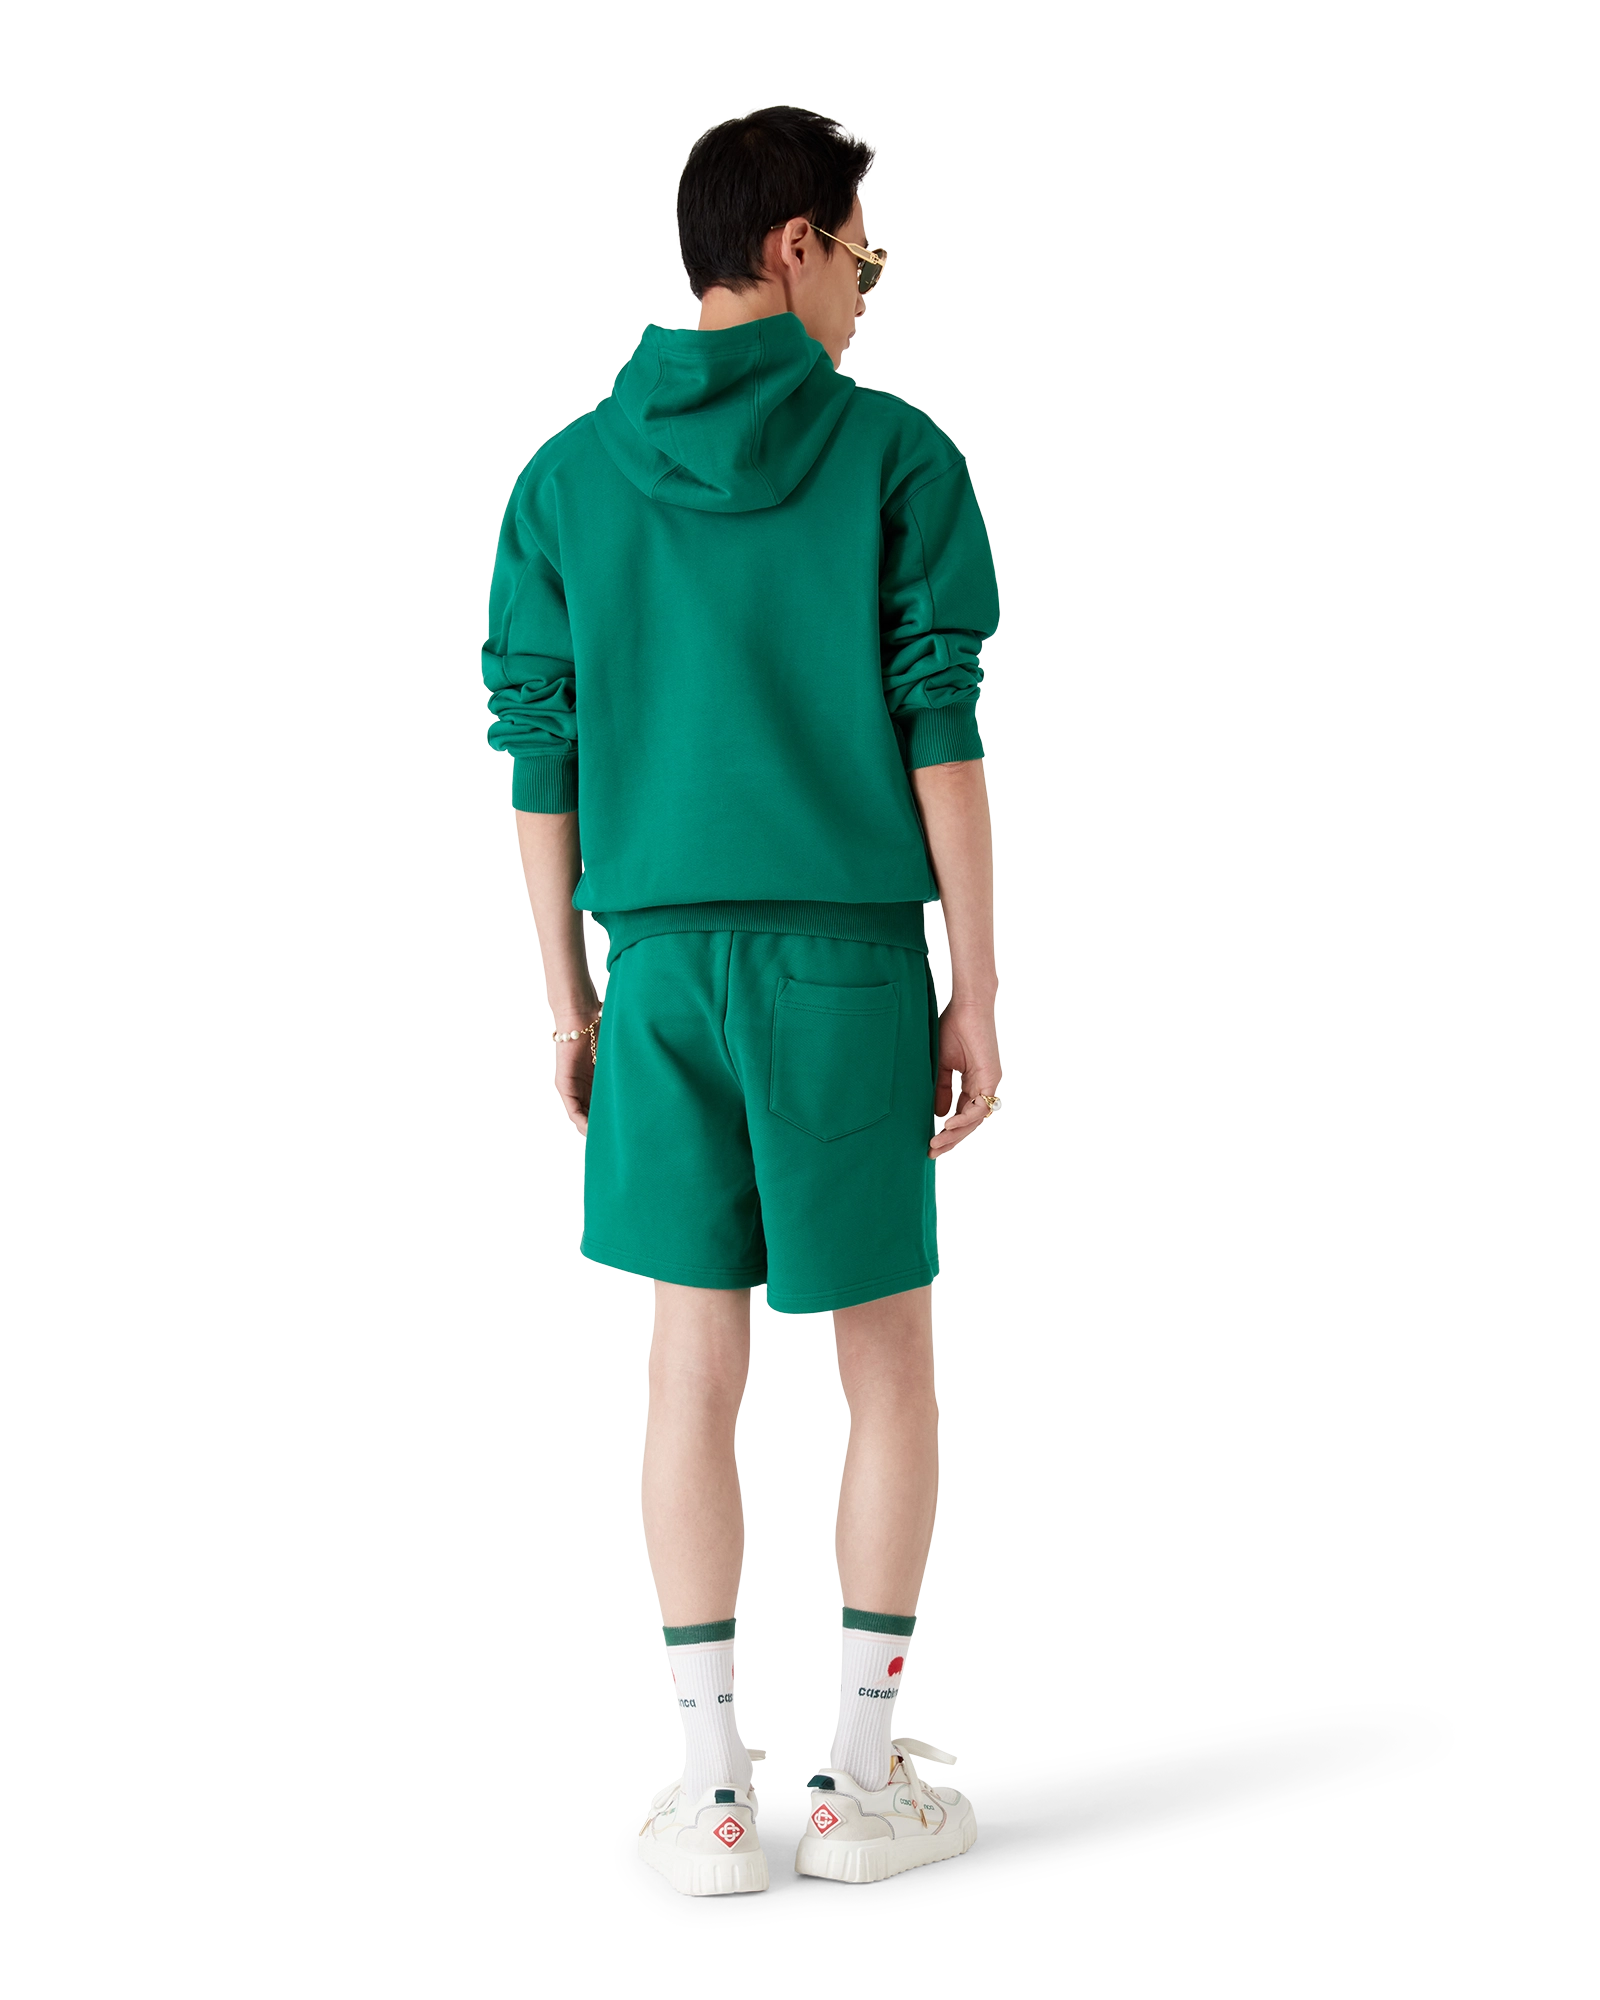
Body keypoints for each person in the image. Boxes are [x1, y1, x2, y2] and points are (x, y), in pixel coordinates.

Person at [480, 103, 1002, 1895]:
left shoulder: (562, 480)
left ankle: (710, 1798)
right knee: (888, 1365)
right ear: (795, 246)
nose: (864, 292)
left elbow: (540, 759)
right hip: (844, 965)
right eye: (863, 256)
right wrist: (976, 988)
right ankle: (858, 1781)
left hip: (658, 973)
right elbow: (942, 735)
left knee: (686, 1374)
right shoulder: (898, 457)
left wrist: (569, 996)